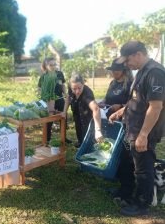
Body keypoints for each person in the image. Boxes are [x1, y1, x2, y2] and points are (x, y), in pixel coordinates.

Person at [109, 40, 165, 216]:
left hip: (143, 132)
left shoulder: (155, 72)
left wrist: (143, 135)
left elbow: (155, 107)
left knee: (143, 168)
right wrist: (122, 112)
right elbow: (137, 99)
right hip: (132, 128)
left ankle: (142, 204)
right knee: (127, 162)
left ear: (138, 55)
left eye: (128, 60)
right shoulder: (141, 71)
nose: (126, 65)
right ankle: (126, 192)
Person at [98, 58, 135, 206]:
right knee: (116, 152)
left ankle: (128, 191)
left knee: (126, 158)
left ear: (124, 70)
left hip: (126, 123)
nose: (114, 72)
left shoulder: (130, 84)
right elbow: (107, 98)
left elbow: (134, 103)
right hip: (113, 122)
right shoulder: (113, 83)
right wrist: (103, 103)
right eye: (112, 70)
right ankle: (120, 185)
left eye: (117, 70)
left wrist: (119, 106)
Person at [64, 74, 104, 148]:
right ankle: (81, 142)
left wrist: (98, 130)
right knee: (78, 126)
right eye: (74, 89)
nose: (77, 91)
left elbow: (96, 109)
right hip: (76, 111)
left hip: (87, 116)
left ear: (83, 84)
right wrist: (64, 111)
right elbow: (68, 97)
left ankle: (89, 146)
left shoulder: (87, 93)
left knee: (88, 133)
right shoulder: (71, 87)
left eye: (79, 88)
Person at [38, 57, 72, 144]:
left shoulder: (59, 73)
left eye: (54, 64)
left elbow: (62, 85)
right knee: (49, 120)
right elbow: (40, 89)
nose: (53, 66)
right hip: (49, 101)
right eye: (50, 65)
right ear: (45, 66)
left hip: (60, 99)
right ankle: (47, 139)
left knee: (63, 118)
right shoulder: (43, 77)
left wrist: (65, 93)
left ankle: (64, 138)